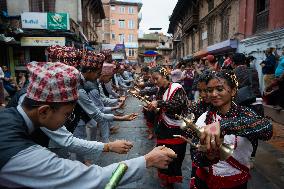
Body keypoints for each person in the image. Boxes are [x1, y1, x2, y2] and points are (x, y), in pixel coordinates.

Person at [0, 61, 178, 189]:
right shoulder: (20, 154)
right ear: (44, 111)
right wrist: (146, 160)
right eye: (67, 114)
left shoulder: (9, 117)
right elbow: (89, 178)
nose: (67, 120)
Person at [191, 70, 272, 189]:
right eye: (209, 90)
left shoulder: (246, 114)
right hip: (204, 181)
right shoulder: (203, 118)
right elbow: (194, 155)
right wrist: (207, 157)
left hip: (235, 183)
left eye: (219, 89)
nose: (213, 94)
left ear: (233, 91)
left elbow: (267, 128)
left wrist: (222, 125)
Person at [147, 66, 188, 188]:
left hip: (176, 128)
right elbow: (162, 107)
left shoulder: (177, 88)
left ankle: (171, 179)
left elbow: (179, 104)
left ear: (164, 76)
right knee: (162, 153)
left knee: (174, 156)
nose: (155, 82)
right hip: (164, 127)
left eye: (156, 78)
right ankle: (165, 178)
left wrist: (159, 103)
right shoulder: (161, 90)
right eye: (153, 79)